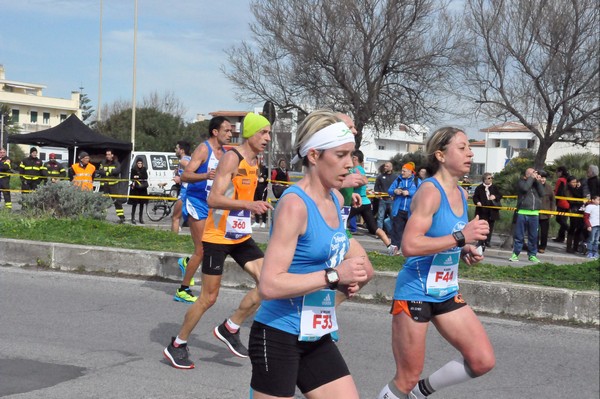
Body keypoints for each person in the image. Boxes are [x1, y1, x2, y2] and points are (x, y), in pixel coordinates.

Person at [249, 110, 371, 399]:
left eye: (351, 155)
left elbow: (341, 251)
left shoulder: (336, 198)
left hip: (316, 333)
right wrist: (334, 275)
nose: (349, 164)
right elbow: (269, 285)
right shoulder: (294, 205)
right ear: (314, 156)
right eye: (340, 155)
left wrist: (353, 274)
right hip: (278, 334)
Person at [377, 127, 493, 399]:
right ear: (441, 155)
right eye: (462, 148)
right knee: (406, 377)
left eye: (469, 148)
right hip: (416, 292)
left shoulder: (461, 194)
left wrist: (464, 248)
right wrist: (461, 236)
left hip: (446, 290)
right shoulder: (431, 191)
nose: (470, 153)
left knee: (481, 360)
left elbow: (444, 238)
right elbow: (410, 245)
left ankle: (420, 393)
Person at [162, 112, 273, 369]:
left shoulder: (255, 160)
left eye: (269, 133)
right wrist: (249, 204)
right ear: (251, 133)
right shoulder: (231, 158)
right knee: (208, 298)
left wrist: (256, 206)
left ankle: (230, 327)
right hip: (218, 236)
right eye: (263, 133)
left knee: (268, 283)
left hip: (240, 234)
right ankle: (177, 344)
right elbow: (213, 199)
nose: (267, 138)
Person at [174, 118, 232, 304]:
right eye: (227, 131)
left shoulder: (224, 153)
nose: (230, 134)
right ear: (215, 132)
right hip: (196, 202)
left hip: (212, 205)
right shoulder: (203, 149)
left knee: (214, 247)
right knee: (201, 249)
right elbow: (185, 175)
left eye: (231, 131)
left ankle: (187, 265)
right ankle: (183, 290)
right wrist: (205, 175)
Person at [349, 150, 396, 255]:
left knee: (339, 222)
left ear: (355, 158)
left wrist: (349, 185)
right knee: (374, 227)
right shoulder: (359, 169)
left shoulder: (356, 169)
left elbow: (363, 181)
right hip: (365, 202)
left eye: (351, 157)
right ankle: (390, 247)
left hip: (358, 202)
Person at [509, 168, 544, 263]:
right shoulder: (521, 182)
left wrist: (538, 182)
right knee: (519, 235)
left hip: (534, 214)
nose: (535, 174)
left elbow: (542, 193)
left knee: (533, 236)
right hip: (522, 212)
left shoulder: (536, 183)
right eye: (533, 172)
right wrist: (531, 179)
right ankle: (515, 254)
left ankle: (532, 255)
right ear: (527, 174)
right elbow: (525, 188)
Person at [388, 162, 420, 254]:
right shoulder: (398, 180)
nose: (402, 172)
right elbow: (390, 190)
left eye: (404, 171)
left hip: (412, 211)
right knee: (396, 231)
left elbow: (422, 192)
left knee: (411, 232)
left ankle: (411, 251)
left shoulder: (417, 181)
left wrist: (409, 193)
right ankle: (394, 251)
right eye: (402, 171)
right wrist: (395, 191)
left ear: (410, 172)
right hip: (399, 210)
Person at [472, 172, 502, 248]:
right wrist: (477, 202)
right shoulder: (479, 188)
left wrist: (495, 196)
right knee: (482, 227)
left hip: (492, 211)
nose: (491, 179)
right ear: (484, 179)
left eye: (491, 178)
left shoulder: (495, 187)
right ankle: (480, 241)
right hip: (482, 210)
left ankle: (487, 241)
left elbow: (500, 195)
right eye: (489, 178)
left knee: (490, 227)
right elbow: (475, 197)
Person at [97, 149, 125, 223]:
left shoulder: (116, 163)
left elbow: (117, 171)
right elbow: (100, 171)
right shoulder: (103, 162)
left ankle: (121, 217)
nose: (107, 156)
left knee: (117, 201)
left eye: (109, 154)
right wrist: (109, 172)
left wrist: (107, 172)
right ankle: (101, 216)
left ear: (112, 155)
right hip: (104, 185)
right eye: (106, 154)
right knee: (102, 201)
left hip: (113, 185)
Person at [171, 140, 192, 233]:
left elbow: (193, 173)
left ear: (182, 150)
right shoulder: (189, 159)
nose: (175, 150)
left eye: (177, 148)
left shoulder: (184, 161)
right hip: (188, 190)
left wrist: (180, 179)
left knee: (175, 217)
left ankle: (173, 240)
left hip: (186, 191)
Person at [565, 176, 585, 254]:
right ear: (569, 182)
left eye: (575, 182)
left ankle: (575, 247)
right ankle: (569, 247)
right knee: (572, 227)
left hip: (580, 209)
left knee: (579, 228)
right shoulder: (568, 189)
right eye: (572, 182)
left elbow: (582, 196)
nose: (574, 184)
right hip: (573, 209)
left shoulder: (579, 189)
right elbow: (570, 200)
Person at [374, 161, 397, 231]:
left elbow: (398, 187)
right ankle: (379, 232)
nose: (385, 167)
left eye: (387, 166)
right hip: (382, 200)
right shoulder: (380, 177)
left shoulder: (396, 177)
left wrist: (395, 196)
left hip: (392, 200)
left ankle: (392, 232)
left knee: (392, 217)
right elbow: (376, 187)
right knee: (380, 217)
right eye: (385, 166)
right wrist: (378, 195)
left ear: (391, 168)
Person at [537, 170, 556, 254]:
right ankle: (534, 245)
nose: (542, 179)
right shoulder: (534, 186)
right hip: (535, 213)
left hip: (545, 214)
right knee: (535, 231)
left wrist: (552, 211)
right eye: (541, 177)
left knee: (544, 232)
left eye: (544, 178)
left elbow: (553, 200)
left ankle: (542, 247)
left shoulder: (548, 187)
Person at [128, 157, 148, 224]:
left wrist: (137, 176)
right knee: (134, 203)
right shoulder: (133, 169)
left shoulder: (144, 169)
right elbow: (132, 177)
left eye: (141, 163)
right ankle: (133, 218)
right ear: (136, 163)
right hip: (136, 188)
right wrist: (138, 176)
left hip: (142, 188)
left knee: (142, 204)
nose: (140, 164)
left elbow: (145, 176)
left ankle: (140, 218)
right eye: (138, 163)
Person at [553, 165, 570, 243]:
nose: (556, 173)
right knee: (563, 220)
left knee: (559, 219)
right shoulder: (568, 179)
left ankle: (569, 230)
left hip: (562, 203)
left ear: (561, 172)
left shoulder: (561, 180)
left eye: (557, 172)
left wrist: (555, 203)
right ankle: (561, 237)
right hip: (568, 203)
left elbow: (559, 192)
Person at [252, 155, 269, 228]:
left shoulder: (264, 169)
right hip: (254, 188)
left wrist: (260, 178)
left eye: (256, 160)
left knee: (262, 204)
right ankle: (257, 221)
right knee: (255, 204)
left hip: (262, 188)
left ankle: (264, 221)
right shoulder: (252, 168)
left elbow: (263, 179)